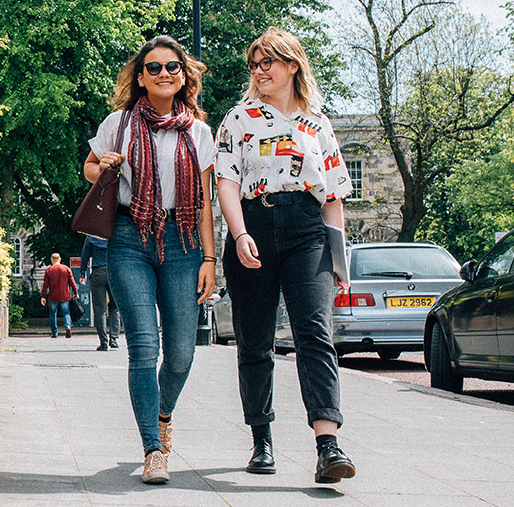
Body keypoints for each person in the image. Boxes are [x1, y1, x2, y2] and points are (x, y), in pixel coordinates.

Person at [215, 28, 356, 484]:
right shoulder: (238, 119)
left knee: (315, 333)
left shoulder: (318, 122)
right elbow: (227, 183)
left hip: (307, 229)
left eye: (267, 63)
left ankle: (328, 445)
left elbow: (333, 195)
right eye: (254, 65)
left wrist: (339, 264)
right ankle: (262, 439)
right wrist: (238, 235)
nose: (259, 72)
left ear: (292, 65)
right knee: (255, 340)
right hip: (254, 224)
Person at [83, 35, 217, 484]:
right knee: (144, 346)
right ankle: (152, 449)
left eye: (172, 67)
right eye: (154, 67)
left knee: (180, 353)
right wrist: (103, 167)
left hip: (182, 241)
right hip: (127, 236)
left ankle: (163, 414)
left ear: (184, 76)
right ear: (140, 77)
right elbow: (90, 166)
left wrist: (210, 258)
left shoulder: (198, 131)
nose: (164, 74)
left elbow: (203, 202)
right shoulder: (119, 122)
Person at [80, 236, 121, 351]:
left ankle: (103, 341)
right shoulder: (113, 234)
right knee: (115, 307)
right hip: (114, 272)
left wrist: (82, 273)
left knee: (99, 309)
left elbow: (85, 256)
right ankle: (114, 338)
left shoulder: (90, 237)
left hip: (98, 272)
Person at [40, 253, 78, 339]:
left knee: (53, 314)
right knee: (66, 312)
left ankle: (54, 333)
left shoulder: (49, 270)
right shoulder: (66, 269)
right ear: (60, 259)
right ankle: (68, 326)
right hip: (65, 295)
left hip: (53, 296)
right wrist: (76, 292)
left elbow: (45, 285)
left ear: (51, 260)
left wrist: (43, 296)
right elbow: (72, 282)